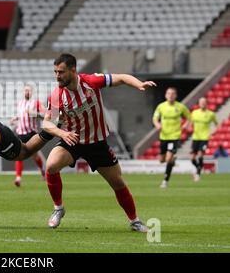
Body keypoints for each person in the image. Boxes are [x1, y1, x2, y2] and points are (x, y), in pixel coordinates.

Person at [42, 53, 156, 232]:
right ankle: (58, 209)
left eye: (61, 72)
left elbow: (122, 78)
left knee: (117, 183)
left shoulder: (91, 81)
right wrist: (62, 133)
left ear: (73, 70)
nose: (57, 76)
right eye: (55, 72)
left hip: (97, 143)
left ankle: (135, 221)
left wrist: (139, 84)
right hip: (73, 140)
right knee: (51, 166)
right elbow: (47, 123)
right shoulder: (57, 95)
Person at [153, 87, 190, 188]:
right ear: (165, 95)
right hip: (164, 136)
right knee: (161, 160)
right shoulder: (161, 107)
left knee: (168, 158)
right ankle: (172, 160)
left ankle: (165, 181)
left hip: (175, 136)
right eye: (169, 93)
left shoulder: (181, 107)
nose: (170, 95)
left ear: (176, 95)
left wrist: (186, 124)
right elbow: (155, 118)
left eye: (173, 93)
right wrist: (157, 124)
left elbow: (189, 117)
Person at [10, 85, 46, 186]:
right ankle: (18, 178)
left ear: (32, 92)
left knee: (35, 156)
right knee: (18, 155)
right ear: (23, 92)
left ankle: (43, 171)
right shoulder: (20, 103)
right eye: (25, 90)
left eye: (29, 90)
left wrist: (33, 113)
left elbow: (45, 115)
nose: (27, 92)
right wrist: (15, 118)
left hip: (31, 133)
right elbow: (21, 115)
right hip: (20, 133)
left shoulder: (36, 103)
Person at [188, 97, 218, 181]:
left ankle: (197, 174)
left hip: (204, 138)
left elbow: (217, 124)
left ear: (206, 103)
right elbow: (190, 123)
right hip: (195, 137)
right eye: (201, 102)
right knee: (192, 158)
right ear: (199, 103)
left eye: (204, 102)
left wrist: (212, 132)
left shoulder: (211, 114)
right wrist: (189, 127)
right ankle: (199, 168)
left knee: (200, 154)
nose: (203, 104)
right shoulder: (194, 113)